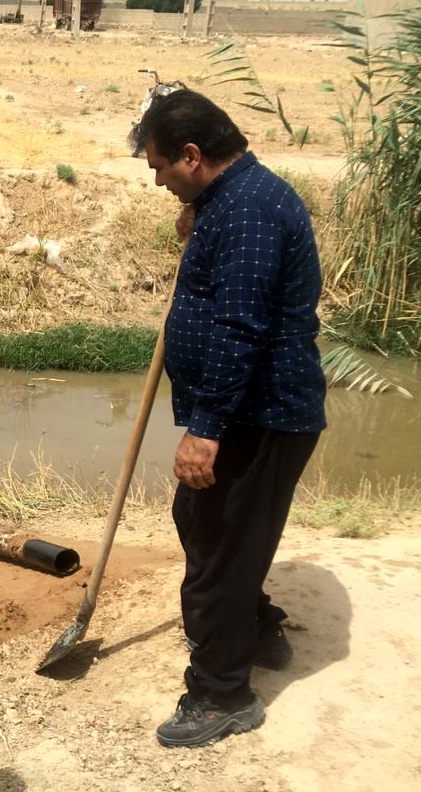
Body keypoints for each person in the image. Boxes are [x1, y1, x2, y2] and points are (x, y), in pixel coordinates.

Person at [129, 90, 326, 748]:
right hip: (254, 408)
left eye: (159, 166)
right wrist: (199, 216)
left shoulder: (247, 214)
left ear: (192, 154)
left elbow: (240, 327)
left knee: (218, 545)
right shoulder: (232, 201)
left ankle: (222, 694)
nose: (157, 180)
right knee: (207, 525)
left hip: (259, 412)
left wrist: (205, 428)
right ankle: (257, 626)